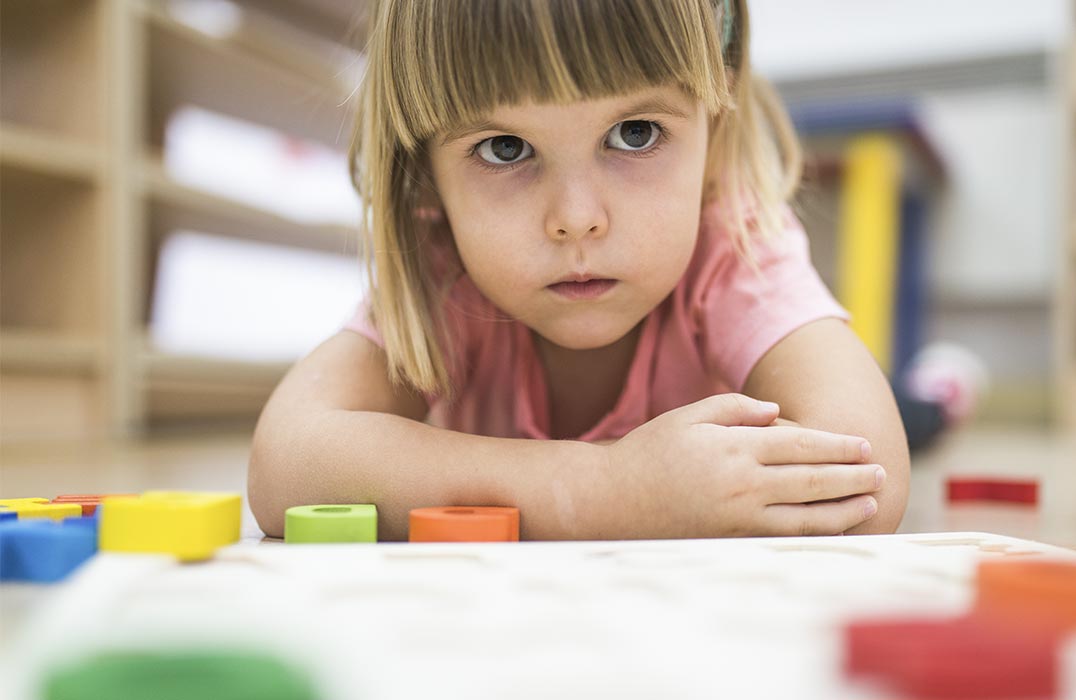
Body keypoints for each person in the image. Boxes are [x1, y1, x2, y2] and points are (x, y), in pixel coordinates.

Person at [248, 0, 910, 542]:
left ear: (716, 116)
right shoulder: (445, 266)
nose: (576, 218)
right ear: (422, 169)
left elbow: (866, 466)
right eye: (505, 148)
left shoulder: (730, 242)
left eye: (635, 134)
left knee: (905, 411)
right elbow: (288, 458)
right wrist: (603, 491)